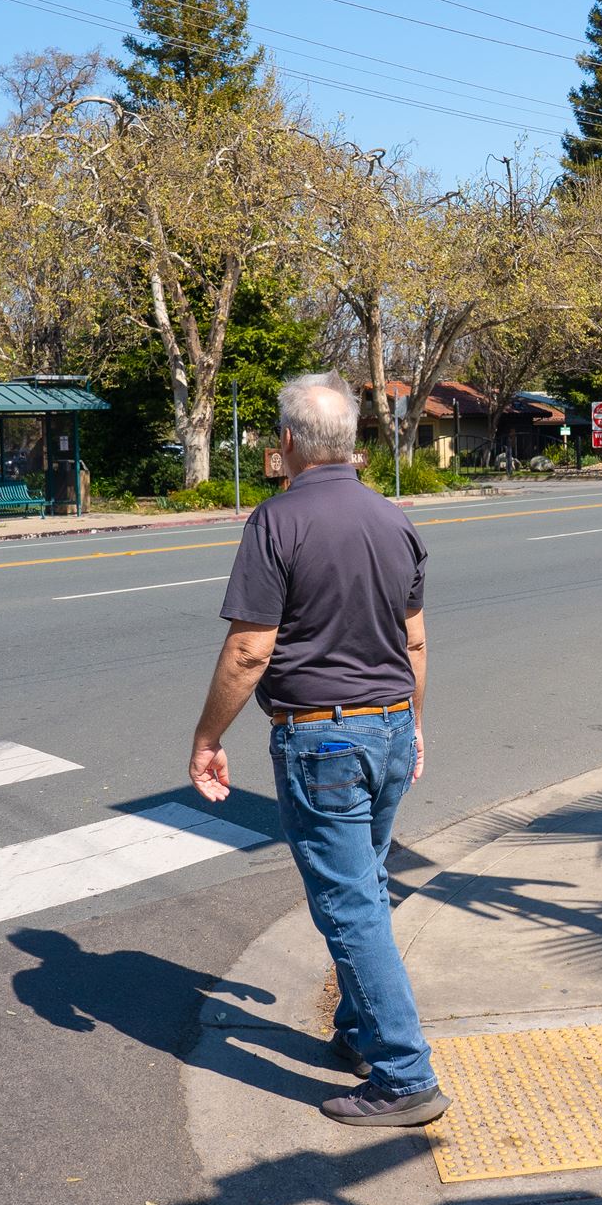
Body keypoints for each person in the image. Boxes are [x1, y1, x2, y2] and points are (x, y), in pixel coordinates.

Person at [186, 372, 446, 1127]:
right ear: (356, 444)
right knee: (364, 887)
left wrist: (208, 738)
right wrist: (416, 723)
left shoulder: (277, 521)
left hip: (323, 738)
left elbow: (248, 652)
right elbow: (415, 640)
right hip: (393, 723)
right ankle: (362, 1031)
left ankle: (404, 1075)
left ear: (288, 444)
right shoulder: (395, 521)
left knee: (350, 904)